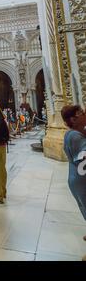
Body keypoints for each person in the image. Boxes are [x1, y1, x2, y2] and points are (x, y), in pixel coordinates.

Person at [61, 105, 86, 262]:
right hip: (81, 178)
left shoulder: (72, 133)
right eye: (81, 113)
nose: (84, 114)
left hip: (75, 177)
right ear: (73, 119)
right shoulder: (76, 137)